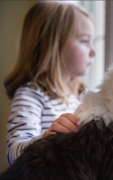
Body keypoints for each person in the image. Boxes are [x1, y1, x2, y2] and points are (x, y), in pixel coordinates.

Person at [4, 1, 96, 165]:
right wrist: (46, 139)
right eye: (84, 41)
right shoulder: (30, 95)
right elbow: (13, 154)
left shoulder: (82, 96)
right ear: (53, 46)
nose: (93, 51)